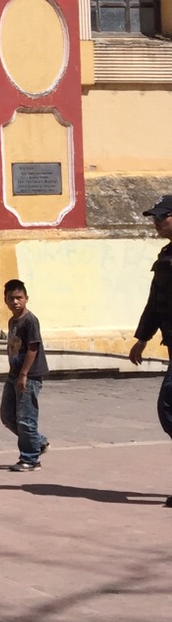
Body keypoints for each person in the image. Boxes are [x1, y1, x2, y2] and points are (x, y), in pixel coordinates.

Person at [127, 192, 172, 505]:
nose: (156, 222)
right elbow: (156, 302)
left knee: (168, 406)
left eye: (162, 216)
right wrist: (142, 337)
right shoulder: (167, 255)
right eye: (154, 217)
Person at [1, 278, 49, 472]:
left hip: (28, 376)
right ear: (5, 300)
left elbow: (32, 348)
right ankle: (38, 442)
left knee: (26, 418)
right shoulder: (13, 320)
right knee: (7, 415)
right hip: (14, 374)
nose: (15, 302)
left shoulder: (30, 321)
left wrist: (24, 375)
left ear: (26, 298)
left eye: (19, 298)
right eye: (11, 298)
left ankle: (30, 459)